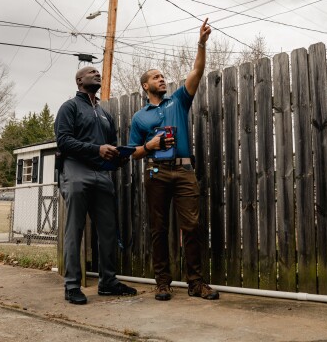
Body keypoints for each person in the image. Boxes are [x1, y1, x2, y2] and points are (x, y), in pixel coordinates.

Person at [129, 18, 219, 301]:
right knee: (158, 229)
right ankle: (163, 283)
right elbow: (132, 152)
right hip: (155, 171)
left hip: (183, 172)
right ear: (146, 85)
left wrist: (201, 43)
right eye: (156, 77)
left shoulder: (178, 100)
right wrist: (150, 144)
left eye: (163, 76)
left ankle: (196, 283)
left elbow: (197, 70)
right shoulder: (139, 117)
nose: (162, 79)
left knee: (191, 227)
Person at [55, 66, 137, 305]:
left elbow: (110, 144)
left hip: (102, 174)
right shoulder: (70, 107)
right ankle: (72, 286)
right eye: (91, 72)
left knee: (108, 231)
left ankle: (108, 283)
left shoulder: (104, 114)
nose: (97, 74)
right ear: (79, 80)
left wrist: (119, 156)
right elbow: (64, 141)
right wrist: (96, 149)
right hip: (75, 170)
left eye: (98, 72)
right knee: (75, 230)